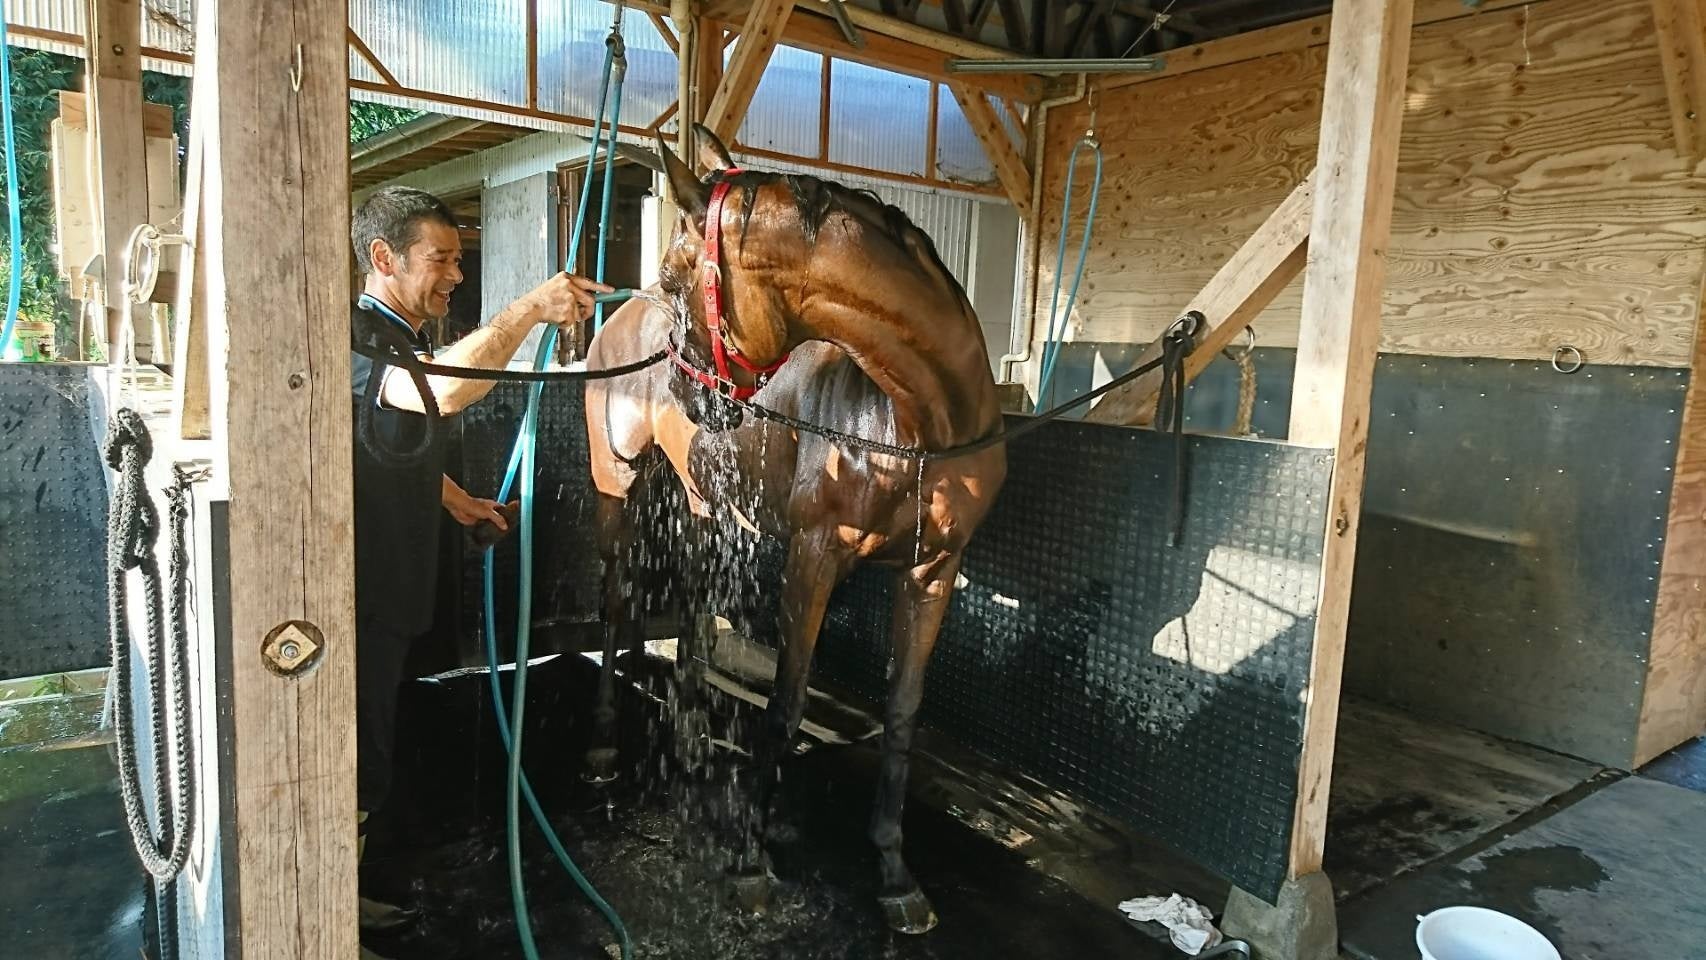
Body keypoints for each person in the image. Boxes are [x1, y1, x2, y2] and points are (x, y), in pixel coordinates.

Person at [348, 186, 609, 957]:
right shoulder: (359, 332)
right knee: (357, 754)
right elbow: (441, 392)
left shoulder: (391, 333)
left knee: (373, 747)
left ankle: (344, 889)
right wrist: (527, 310)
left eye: (460, 260)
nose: (455, 276)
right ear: (384, 258)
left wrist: (458, 503)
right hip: (356, 593)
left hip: (389, 587)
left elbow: (378, 442)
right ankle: (323, 916)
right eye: (442, 259)